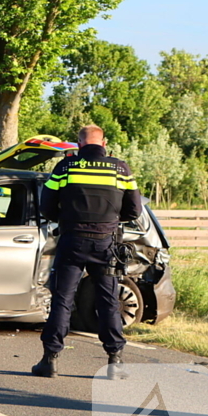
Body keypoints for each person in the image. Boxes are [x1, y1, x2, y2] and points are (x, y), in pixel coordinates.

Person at [32, 125, 142, 380]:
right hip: (105, 244)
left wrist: (67, 219)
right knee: (108, 302)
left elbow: (46, 206)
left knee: (62, 300)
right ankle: (115, 362)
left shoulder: (65, 167)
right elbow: (134, 210)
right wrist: (111, 220)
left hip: (72, 241)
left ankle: (50, 361)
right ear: (104, 143)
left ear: (79, 145)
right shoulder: (120, 169)